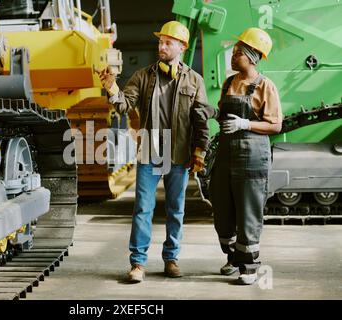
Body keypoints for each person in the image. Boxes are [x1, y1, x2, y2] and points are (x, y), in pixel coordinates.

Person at [98, 21, 210, 283]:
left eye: (167, 42)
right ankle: (137, 263)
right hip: (150, 151)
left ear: (181, 46)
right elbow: (125, 106)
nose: (161, 46)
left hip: (179, 153)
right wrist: (112, 88)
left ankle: (171, 259)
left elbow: (201, 120)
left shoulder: (195, 80)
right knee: (143, 209)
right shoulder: (143, 76)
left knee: (176, 209)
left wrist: (200, 151)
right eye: (160, 42)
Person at [205, 27, 283, 285]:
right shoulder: (229, 82)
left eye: (238, 52)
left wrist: (245, 124)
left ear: (252, 56)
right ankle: (233, 257)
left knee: (248, 213)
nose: (233, 55)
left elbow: (275, 125)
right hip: (226, 154)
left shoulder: (265, 86)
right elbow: (223, 114)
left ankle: (248, 267)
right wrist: (211, 113)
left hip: (252, 157)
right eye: (234, 51)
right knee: (222, 210)